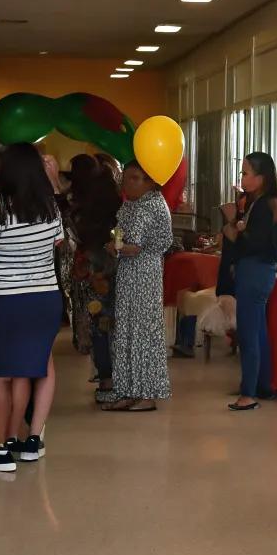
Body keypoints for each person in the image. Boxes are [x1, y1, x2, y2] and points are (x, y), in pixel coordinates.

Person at [0, 142, 64, 474]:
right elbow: (57, 245)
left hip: (2, 300)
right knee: (24, 369)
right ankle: (12, 437)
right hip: (44, 299)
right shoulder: (49, 206)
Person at [103, 160, 173, 413]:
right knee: (125, 332)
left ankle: (146, 393)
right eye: (126, 177)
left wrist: (118, 248)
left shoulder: (153, 204)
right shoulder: (131, 204)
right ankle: (126, 390)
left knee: (143, 333)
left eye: (134, 178)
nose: (127, 182)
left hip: (145, 274)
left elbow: (137, 246)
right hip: (128, 274)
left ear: (150, 182)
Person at [223, 152, 277, 411]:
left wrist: (232, 225)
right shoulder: (262, 202)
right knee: (259, 331)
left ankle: (248, 394)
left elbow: (254, 242)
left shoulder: (264, 205)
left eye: (245, 173)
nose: (242, 178)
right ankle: (263, 385)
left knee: (249, 333)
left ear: (260, 178)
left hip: (254, 271)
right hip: (261, 271)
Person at [68, 155, 121, 394]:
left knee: (97, 321)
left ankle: (104, 377)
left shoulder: (79, 206)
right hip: (109, 263)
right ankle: (114, 375)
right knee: (111, 322)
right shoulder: (115, 206)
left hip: (89, 265)